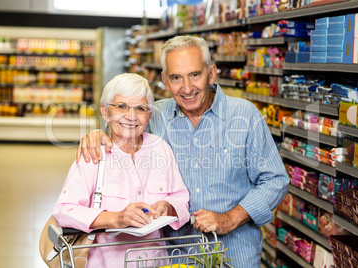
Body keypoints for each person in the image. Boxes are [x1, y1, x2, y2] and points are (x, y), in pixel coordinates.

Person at [77, 36, 289, 267]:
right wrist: (100, 135)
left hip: (234, 253)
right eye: (176, 78)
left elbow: (275, 180)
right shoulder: (153, 116)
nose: (187, 88)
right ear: (165, 81)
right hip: (170, 256)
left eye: (195, 75)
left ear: (212, 73)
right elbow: (121, 135)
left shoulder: (245, 116)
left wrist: (231, 218)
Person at [53, 73, 190, 267]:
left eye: (140, 108)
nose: (131, 116)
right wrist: (116, 218)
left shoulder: (161, 148)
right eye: (121, 106)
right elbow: (64, 211)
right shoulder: (94, 154)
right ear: (105, 112)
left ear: (149, 115)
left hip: (156, 262)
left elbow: (181, 197)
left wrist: (168, 206)